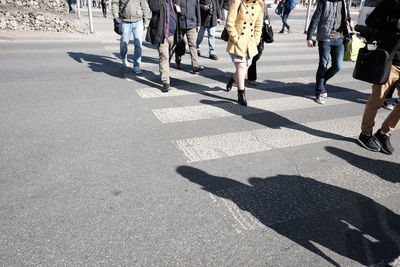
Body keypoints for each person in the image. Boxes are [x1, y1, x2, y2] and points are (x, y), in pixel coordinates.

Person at [357, 0, 400, 155]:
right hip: (390, 60)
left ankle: (383, 133)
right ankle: (365, 134)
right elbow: (370, 20)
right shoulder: (393, 3)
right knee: (377, 100)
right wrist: (393, 24)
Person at [306, 0, 351, 105]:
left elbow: (346, 16)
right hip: (325, 37)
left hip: (340, 38)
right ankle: (319, 92)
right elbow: (316, 18)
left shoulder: (345, 2)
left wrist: (349, 21)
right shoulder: (324, 1)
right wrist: (309, 37)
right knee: (323, 64)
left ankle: (320, 83)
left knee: (338, 66)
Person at [225, 0, 264, 106]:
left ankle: (233, 77)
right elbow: (229, 22)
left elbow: (258, 26)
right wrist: (235, 38)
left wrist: (256, 40)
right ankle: (241, 94)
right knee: (242, 68)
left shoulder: (259, 5)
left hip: (250, 43)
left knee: (246, 66)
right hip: (237, 42)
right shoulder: (237, 2)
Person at [146, 0, 181, 92]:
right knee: (164, 57)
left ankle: (164, 72)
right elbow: (154, 7)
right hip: (162, 35)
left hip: (173, 34)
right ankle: (165, 81)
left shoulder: (173, 1)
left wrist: (178, 9)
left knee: (168, 57)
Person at [112, 0, 150, 74]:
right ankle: (123, 57)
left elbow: (144, 5)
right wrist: (115, 12)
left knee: (138, 44)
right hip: (125, 21)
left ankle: (137, 65)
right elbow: (115, 2)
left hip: (138, 21)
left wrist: (146, 21)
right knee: (124, 43)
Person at [175, 0, 205, 73]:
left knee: (192, 45)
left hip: (192, 24)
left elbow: (197, 11)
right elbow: (175, 7)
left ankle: (195, 65)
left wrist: (198, 24)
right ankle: (178, 60)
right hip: (180, 24)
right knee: (179, 44)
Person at [247, 6, 270, 86]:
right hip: (248, 32)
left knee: (257, 55)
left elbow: (266, 16)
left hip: (260, 33)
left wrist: (267, 21)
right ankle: (251, 78)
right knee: (252, 56)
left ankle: (237, 73)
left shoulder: (262, 4)